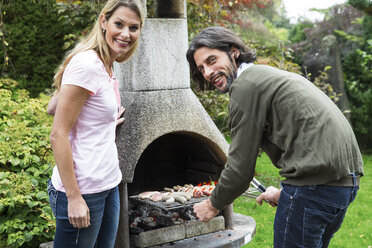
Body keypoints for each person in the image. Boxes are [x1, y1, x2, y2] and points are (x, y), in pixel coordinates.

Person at [187, 27, 364, 248]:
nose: (207, 72)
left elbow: (240, 167)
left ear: (233, 52)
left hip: (314, 189)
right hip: (344, 185)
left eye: (212, 60)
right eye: (201, 68)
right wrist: (286, 194)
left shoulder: (245, 86)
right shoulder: (265, 76)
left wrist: (213, 204)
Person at [47, 1, 145, 247]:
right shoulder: (88, 65)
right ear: (104, 21)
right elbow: (58, 134)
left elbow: (52, 107)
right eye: (119, 24)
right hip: (84, 190)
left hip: (108, 183)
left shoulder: (106, 63)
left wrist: (105, 121)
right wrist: (74, 198)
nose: (126, 34)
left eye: (133, 27)